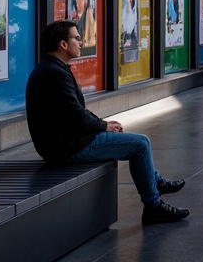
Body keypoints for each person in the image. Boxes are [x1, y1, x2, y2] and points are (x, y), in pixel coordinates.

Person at [25, 19, 189, 224]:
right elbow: (77, 115)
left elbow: (75, 113)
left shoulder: (54, 68)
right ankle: (153, 205)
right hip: (68, 148)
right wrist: (104, 125)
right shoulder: (54, 73)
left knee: (134, 141)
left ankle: (155, 183)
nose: (81, 42)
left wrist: (103, 125)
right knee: (140, 144)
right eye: (76, 38)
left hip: (68, 140)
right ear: (63, 44)